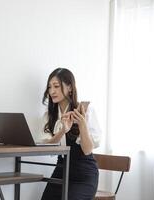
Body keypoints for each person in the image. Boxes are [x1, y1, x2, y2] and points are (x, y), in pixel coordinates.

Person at [41, 68, 101, 200]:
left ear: (70, 87)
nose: (52, 91)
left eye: (56, 86)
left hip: (84, 174)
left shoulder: (86, 110)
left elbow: (87, 150)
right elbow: (48, 147)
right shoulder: (49, 116)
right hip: (61, 170)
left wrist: (82, 124)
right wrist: (63, 130)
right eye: (49, 87)